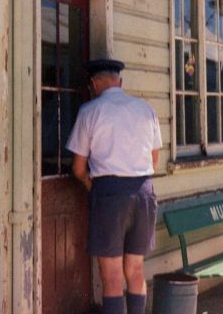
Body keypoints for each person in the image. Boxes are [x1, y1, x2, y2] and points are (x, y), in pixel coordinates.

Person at [66, 58, 161, 314]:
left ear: (94, 83)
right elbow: (154, 159)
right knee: (135, 270)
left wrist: (90, 184)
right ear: (120, 82)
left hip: (109, 194)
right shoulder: (145, 109)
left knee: (111, 276)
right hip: (144, 192)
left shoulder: (90, 111)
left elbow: (77, 167)